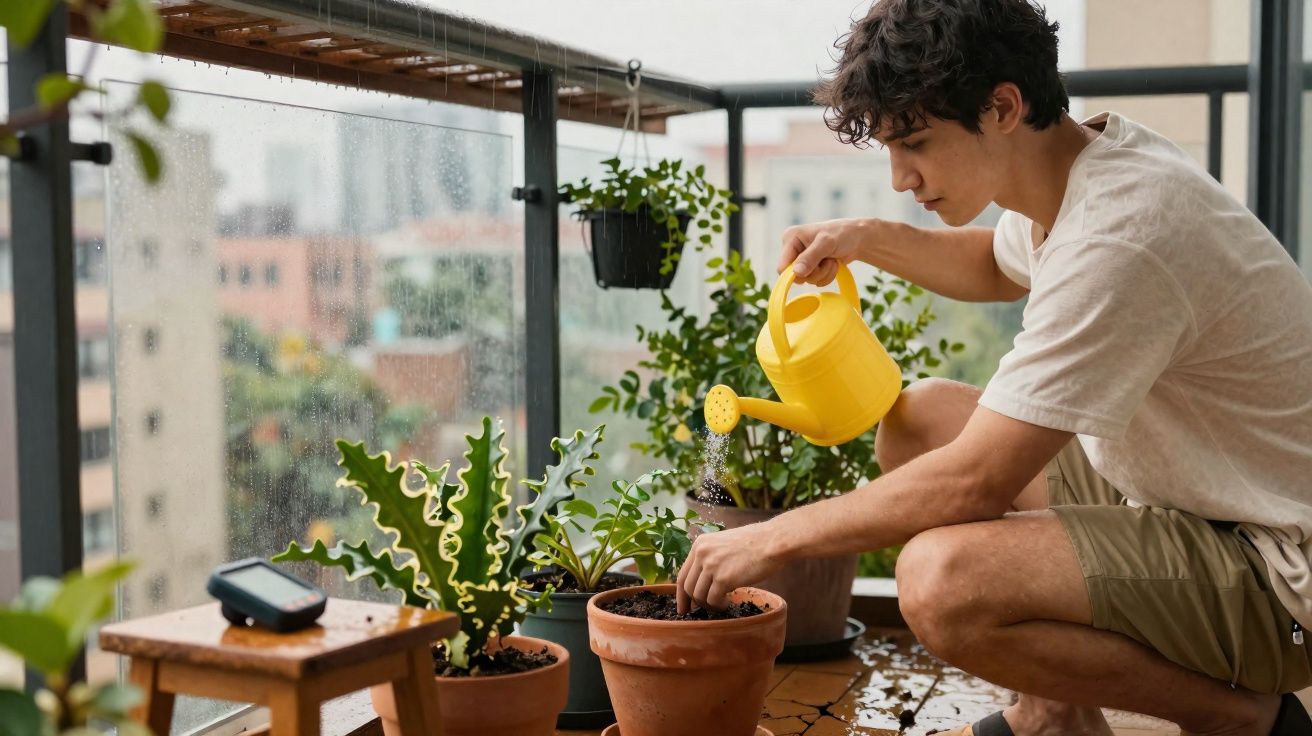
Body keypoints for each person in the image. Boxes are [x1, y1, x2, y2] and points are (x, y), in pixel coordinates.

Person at [672, 1, 1312, 734]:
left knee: (940, 581)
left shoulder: (1121, 235)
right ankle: (1058, 714)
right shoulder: (1077, 169)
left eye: (913, 142)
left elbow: (975, 480)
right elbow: (999, 263)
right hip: (1193, 485)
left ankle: (1244, 717)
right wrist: (863, 238)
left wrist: (766, 537)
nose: (900, 179)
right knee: (918, 423)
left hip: (1277, 573)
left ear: (1002, 105)